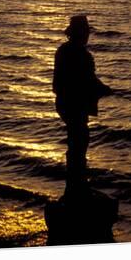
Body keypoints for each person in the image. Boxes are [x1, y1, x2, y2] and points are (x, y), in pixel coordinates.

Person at [53, 15, 113, 196]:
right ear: (81, 34)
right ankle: (77, 185)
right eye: (86, 33)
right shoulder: (83, 55)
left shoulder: (62, 50)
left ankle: (74, 184)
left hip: (63, 104)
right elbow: (89, 81)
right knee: (79, 142)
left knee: (76, 142)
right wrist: (104, 89)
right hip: (75, 106)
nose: (87, 36)